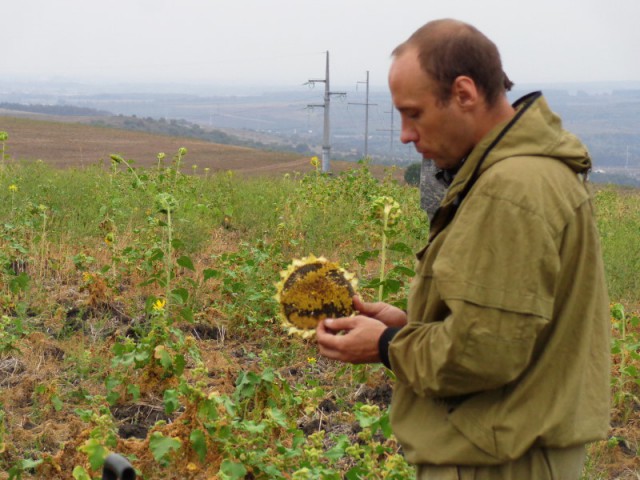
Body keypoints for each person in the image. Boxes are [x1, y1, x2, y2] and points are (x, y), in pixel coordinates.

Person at [316, 18, 610, 480]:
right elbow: (508, 324)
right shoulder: (524, 175)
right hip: (506, 450)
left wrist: (389, 345)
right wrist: (413, 325)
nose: (406, 134)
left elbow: (484, 352)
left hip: (498, 461)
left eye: (414, 113)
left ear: (464, 94)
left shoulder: (511, 190)